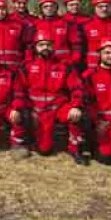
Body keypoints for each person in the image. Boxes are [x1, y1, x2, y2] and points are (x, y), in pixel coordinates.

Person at [14, 34, 88, 163]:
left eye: (48, 44)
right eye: (41, 45)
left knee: (76, 115)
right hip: (36, 109)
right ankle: (25, 141)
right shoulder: (26, 66)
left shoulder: (64, 66)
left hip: (58, 108)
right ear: (35, 47)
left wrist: (76, 106)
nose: (45, 47)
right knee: (44, 150)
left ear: (53, 47)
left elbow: (77, 87)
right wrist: (19, 108)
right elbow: (19, 90)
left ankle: (75, 148)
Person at [31, 0, 81, 68]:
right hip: (43, 64)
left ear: (56, 8)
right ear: (41, 9)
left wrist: (73, 61)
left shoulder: (66, 24)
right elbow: (30, 47)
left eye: (51, 6)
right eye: (45, 6)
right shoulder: (35, 25)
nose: (49, 8)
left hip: (64, 64)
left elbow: (76, 45)